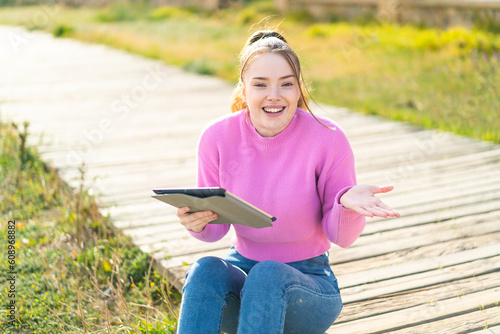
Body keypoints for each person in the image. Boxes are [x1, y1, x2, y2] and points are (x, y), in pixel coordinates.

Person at [175, 30, 399, 334]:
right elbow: (215, 232)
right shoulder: (216, 138)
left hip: (309, 286)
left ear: (298, 89)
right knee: (204, 270)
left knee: (268, 275)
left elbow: (342, 238)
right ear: (243, 88)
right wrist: (197, 221)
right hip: (243, 270)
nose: (274, 95)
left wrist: (346, 205)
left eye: (286, 84)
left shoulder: (327, 138)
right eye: (260, 84)